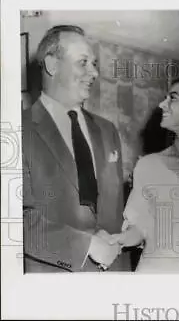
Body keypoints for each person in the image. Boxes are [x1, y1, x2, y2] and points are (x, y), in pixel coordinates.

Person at [22, 25, 130, 272]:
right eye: (83, 62)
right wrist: (86, 245)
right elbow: (14, 220)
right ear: (52, 65)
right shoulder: (16, 130)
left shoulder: (107, 131)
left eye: (94, 64)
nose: (93, 72)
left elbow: (114, 212)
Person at [110, 78, 179, 273]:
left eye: (173, 98)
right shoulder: (147, 165)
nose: (162, 104)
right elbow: (139, 227)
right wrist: (120, 239)